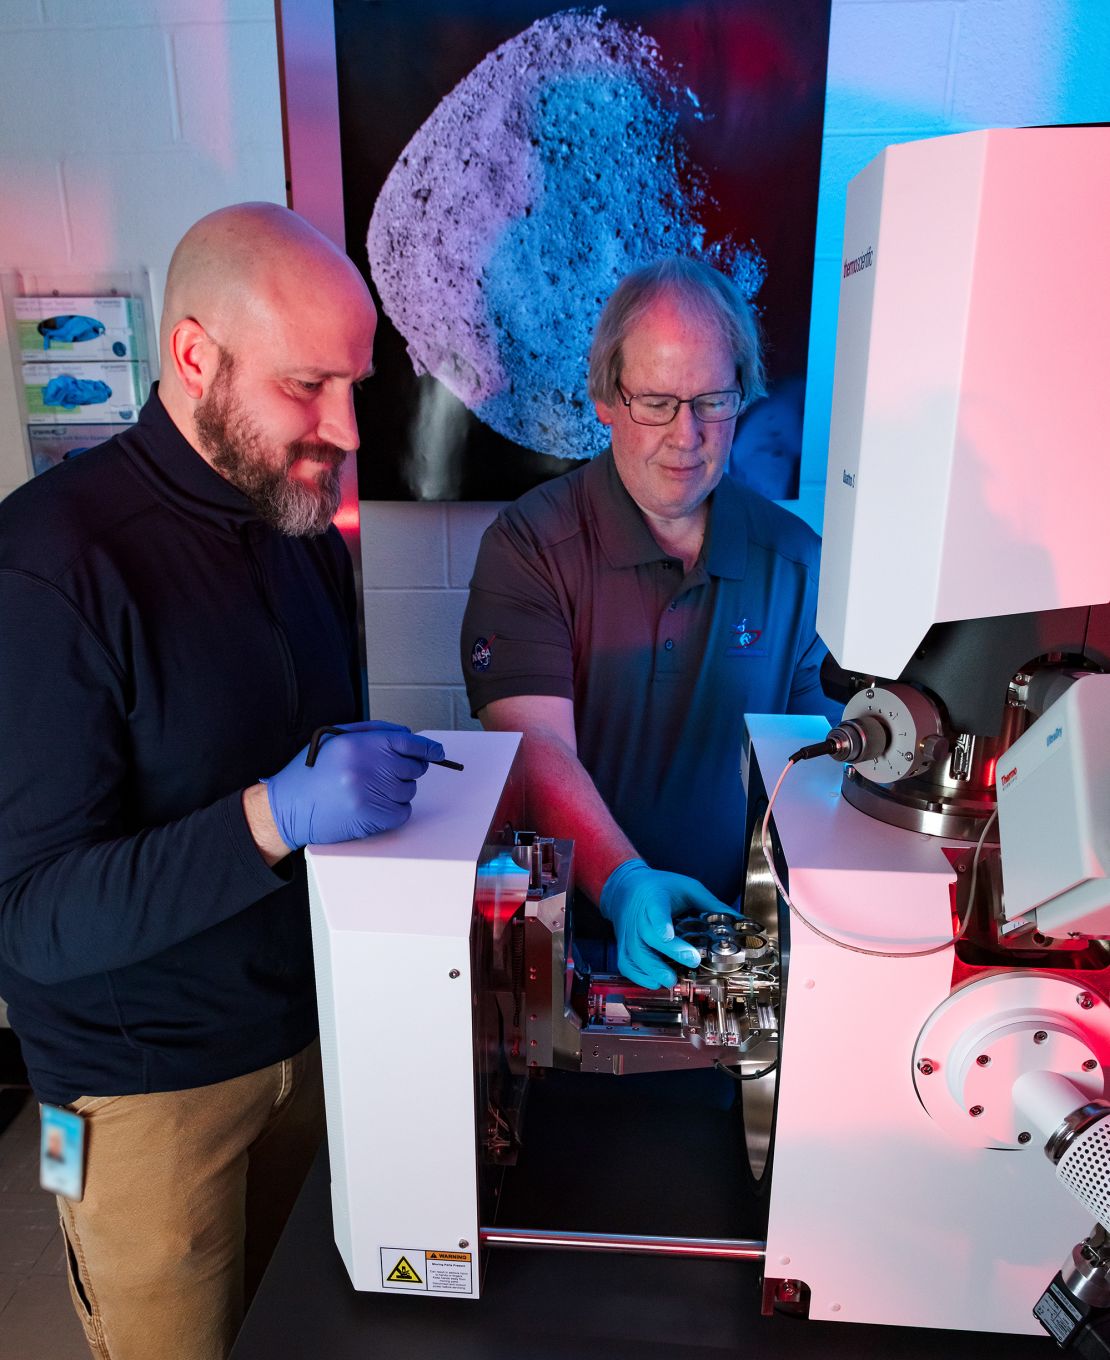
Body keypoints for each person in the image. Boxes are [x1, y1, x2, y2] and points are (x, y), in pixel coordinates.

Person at [0, 203, 444, 1360]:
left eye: (356, 383)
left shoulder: (301, 534)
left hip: (308, 1041)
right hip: (139, 1098)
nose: (344, 427)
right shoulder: (50, 569)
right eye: (308, 387)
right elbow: (29, 918)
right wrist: (272, 813)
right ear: (195, 357)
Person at [461, 258, 837, 991]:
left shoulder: (795, 562)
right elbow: (536, 749)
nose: (686, 435)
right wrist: (629, 884)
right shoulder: (530, 545)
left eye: (712, 401)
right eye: (657, 402)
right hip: (566, 953)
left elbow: (811, 778)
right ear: (606, 400)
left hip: (730, 951)